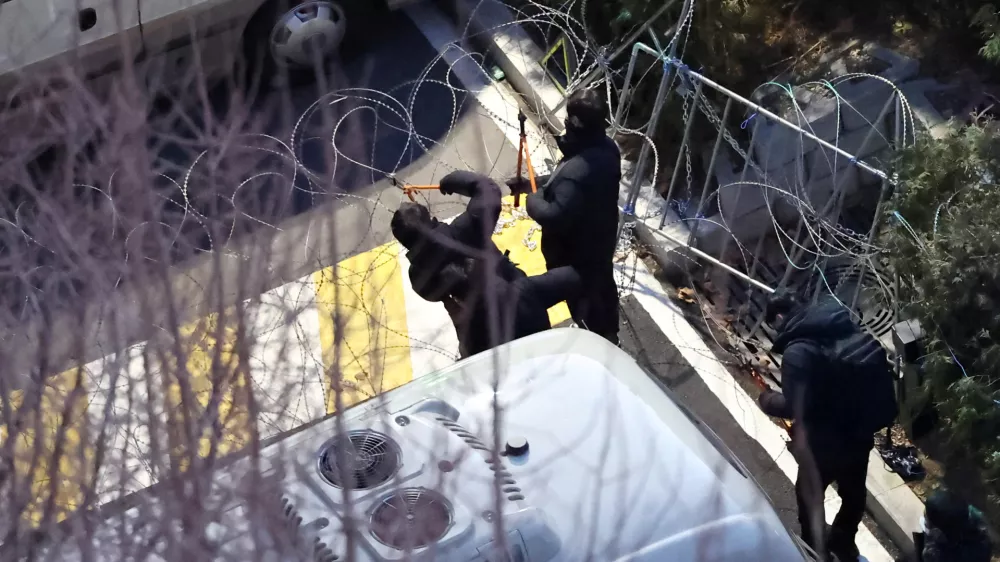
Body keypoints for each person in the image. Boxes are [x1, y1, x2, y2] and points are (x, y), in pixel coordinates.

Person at [758, 289, 898, 562]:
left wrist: (767, 400)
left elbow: (793, 406)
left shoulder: (798, 351)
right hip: (859, 434)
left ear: (779, 318)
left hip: (824, 445)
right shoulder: (843, 326)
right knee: (854, 493)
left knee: (810, 497)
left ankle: (815, 549)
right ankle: (844, 542)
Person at [390, 170, 581, 357]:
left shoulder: (418, 278)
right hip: (520, 312)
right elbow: (488, 190)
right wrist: (454, 180)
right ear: (432, 220)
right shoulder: (464, 232)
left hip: (478, 337)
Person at [508, 88, 622, 345]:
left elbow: (553, 215)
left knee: (585, 305)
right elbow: (568, 183)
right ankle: (609, 335)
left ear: (576, 123)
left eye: (569, 120)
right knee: (603, 293)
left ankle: (600, 344)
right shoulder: (606, 149)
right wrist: (532, 184)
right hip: (600, 244)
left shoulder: (576, 170)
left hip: (575, 259)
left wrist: (531, 198)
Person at [918, 488, 991, 562]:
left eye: (926, 520)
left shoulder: (936, 555)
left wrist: (930, 539)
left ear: (938, 531)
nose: (924, 520)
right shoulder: (975, 524)